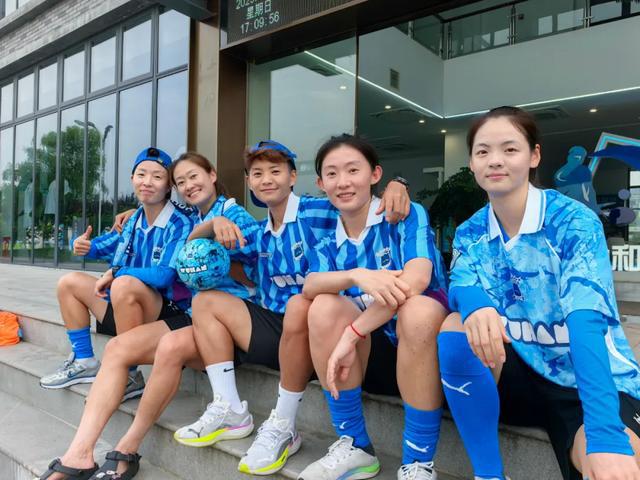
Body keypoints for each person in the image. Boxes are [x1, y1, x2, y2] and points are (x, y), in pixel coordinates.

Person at [173, 140, 411, 478]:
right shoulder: (258, 233)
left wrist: (398, 185)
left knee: (301, 304)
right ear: (249, 182)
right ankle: (230, 410)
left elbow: (360, 198)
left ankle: (284, 424)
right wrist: (212, 225)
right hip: (281, 331)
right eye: (258, 174)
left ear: (293, 177)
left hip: (331, 330)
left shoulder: (319, 210)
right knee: (204, 300)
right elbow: (189, 250)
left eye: (275, 171)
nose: (267, 179)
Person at [437, 106, 640, 480]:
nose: (495, 160)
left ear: (534, 156)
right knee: (455, 327)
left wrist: (604, 435)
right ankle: (488, 475)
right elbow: (461, 283)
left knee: (615, 466)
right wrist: (476, 305)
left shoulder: (573, 222)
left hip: (585, 379)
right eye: (483, 151)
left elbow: (586, 322)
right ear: (472, 163)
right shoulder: (470, 231)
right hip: (520, 371)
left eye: (510, 149)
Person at [37, 151, 258, 480]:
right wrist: (90, 245)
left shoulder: (221, 214)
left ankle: (127, 447)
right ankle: (78, 453)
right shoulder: (191, 216)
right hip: (196, 315)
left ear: (212, 175)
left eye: (190, 177)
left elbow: (256, 258)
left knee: (143, 311)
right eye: (182, 181)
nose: (188, 185)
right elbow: (110, 245)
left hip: (224, 321)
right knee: (116, 347)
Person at [298, 134, 448, 480]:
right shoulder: (327, 237)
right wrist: (357, 275)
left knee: (418, 310)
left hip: (423, 349)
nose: (343, 182)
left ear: (375, 174)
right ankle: (355, 445)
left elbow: (416, 279)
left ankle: (418, 461)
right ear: (321, 183)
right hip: (368, 357)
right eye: (332, 174)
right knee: (321, 306)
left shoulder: (405, 215)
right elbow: (310, 284)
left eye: (353, 170)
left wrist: (352, 333)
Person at [39, 147, 193, 400]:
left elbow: (165, 275)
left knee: (125, 283)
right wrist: (81, 245)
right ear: (132, 179)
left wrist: (118, 272)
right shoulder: (133, 220)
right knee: (69, 282)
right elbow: (103, 245)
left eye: (157, 176)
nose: (147, 182)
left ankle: (130, 374)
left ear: (169, 186)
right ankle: (85, 361)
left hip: (163, 314)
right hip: (125, 307)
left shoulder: (180, 222)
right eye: (141, 174)